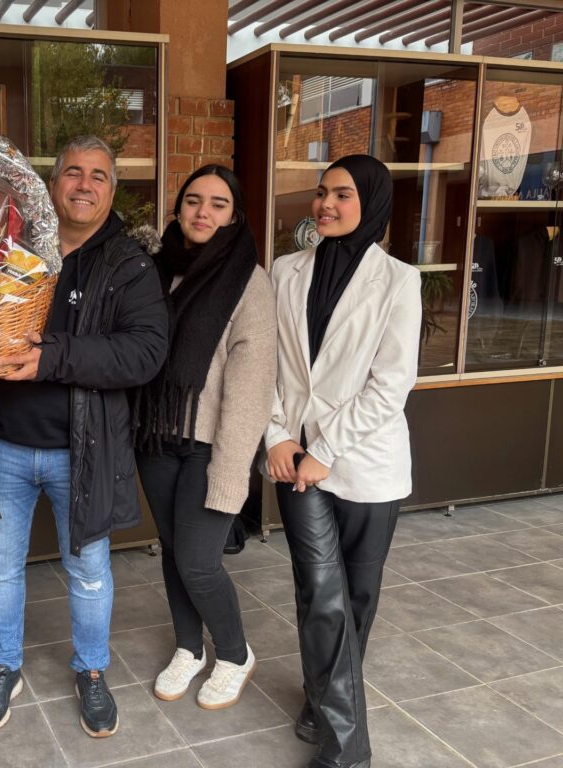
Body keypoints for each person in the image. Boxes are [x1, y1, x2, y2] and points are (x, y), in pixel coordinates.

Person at [0, 135, 168, 737]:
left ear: (111, 190)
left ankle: (92, 670)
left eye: (98, 175)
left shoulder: (129, 264)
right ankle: (3, 665)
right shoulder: (7, 246)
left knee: (90, 570)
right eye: (73, 172)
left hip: (84, 451)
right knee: (0, 569)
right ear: (52, 185)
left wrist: (53, 357)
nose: (84, 184)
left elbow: (145, 353)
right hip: (0, 442)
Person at [264, 155, 421, 768]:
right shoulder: (285, 271)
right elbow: (267, 365)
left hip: (366, 462)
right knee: (320, 591)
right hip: (295, 460)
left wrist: (326, 451)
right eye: (322, 192)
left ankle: (321, 698)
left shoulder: (399, 281)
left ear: (371, 203)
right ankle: (347, 747)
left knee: (355, 597)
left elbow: (391, 384)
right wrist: (279, 436)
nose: (326, 204)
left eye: (343, 194)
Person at [132, 164, 276, 708]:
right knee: (173, 551)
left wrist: (231, 471)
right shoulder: (156, 270)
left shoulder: (249, 282)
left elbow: (251, 387)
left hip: (210, 444)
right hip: (156, 435)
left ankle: (235, 654)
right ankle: (189, 648)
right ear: (178, 208)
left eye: (218, 204)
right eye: (194, 200)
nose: (203, 212)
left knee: (198, 560)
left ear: (234, 216)